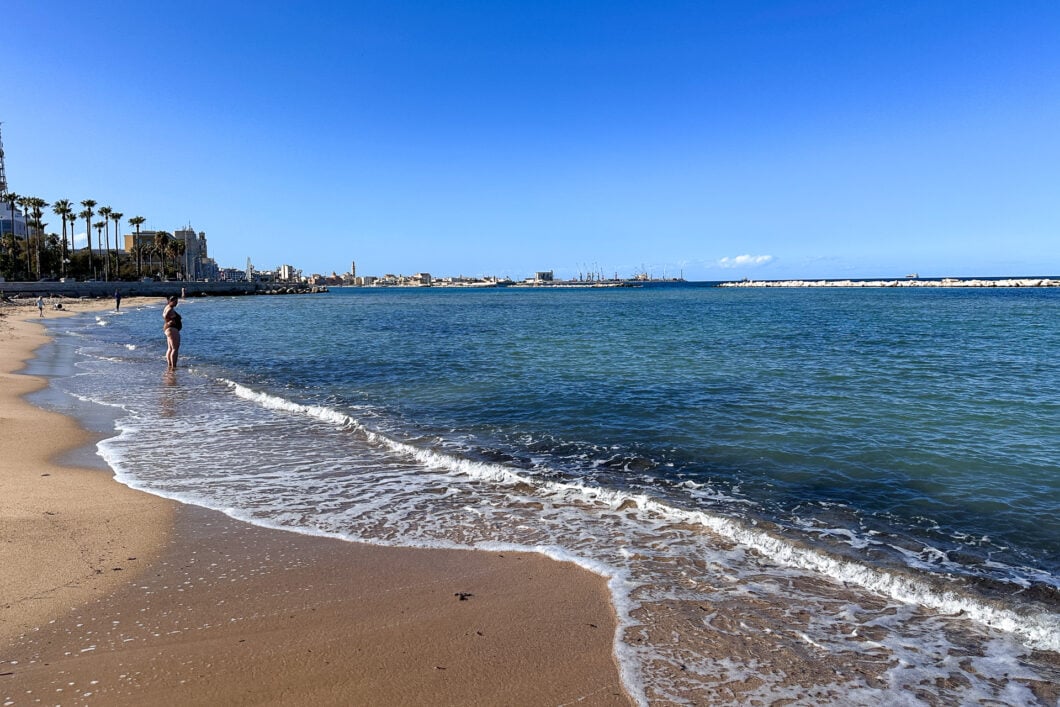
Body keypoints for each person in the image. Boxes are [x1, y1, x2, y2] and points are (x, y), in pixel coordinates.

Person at [163, 295, 182, 370]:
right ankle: (173, 367)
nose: (176, 303)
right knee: (175, 348)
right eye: (174, 301)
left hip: (168, 328)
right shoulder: (170, 309)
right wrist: (171, 320)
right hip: (172, 329)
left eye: (177, 301)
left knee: (170, 348)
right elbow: (167, 316)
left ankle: (170, 365)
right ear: (169, 301)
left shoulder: (167, 307)